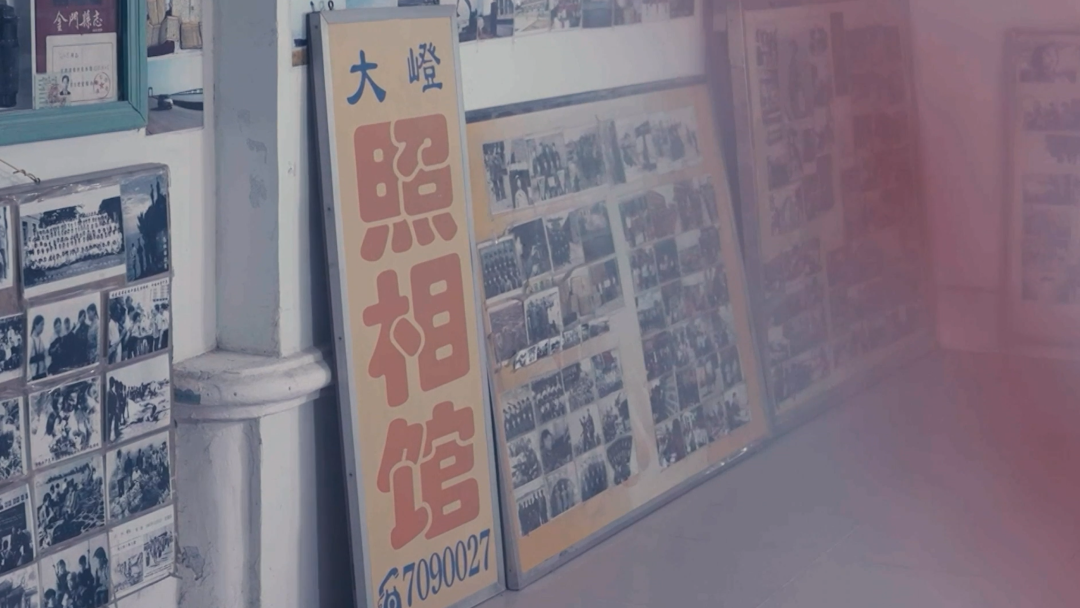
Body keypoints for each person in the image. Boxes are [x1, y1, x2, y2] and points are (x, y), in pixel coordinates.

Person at [30, 316, 47, 380]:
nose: (42, 327)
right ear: (36, 325)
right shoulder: (30, 340)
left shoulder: (40, 339)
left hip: (43, 373)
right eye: (41, 325)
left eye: (43, 325)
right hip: (35, 375)